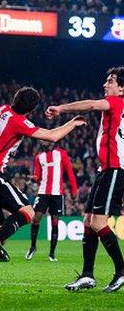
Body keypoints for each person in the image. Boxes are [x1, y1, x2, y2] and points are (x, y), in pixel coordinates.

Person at [0, 87, 86, 293]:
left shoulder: (0, 110)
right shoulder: (18, 121)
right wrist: (73, 123)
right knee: (27, 212)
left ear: (14, 98)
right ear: (31, 109)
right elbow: (51, 136)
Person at [46, 67, 124, 293]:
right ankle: (88, 275)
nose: (105, 85)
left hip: (115, 170)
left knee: (98, 222)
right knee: (88, 221)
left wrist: (61, 108)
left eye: (110, 81)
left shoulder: (117, 102)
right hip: (106, 170)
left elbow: (91, 104)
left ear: (121, 88)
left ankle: (121, 271)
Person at [26, 141, 78, 262]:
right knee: (36, 218)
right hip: (43, 192)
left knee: (55, 221)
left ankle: (52, 253)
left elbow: (70, 172)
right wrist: (34, 178)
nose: (43, 142)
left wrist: (74, 189)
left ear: (52, 141)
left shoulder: (61, 154)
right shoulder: (39, 157)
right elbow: (37, 175)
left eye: (45, 140)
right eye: (42, 140)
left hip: (57, 193)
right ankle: (33, 247)